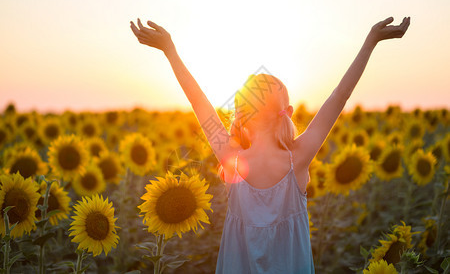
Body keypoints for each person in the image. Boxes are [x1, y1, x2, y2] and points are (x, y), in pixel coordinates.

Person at [130, 16, 410, 273]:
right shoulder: (297, 158)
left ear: (240, 115)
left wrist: (171, 52)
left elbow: (199, 103)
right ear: (286, 111)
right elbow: (339, 96)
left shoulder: (231, 157)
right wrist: (370, 42)